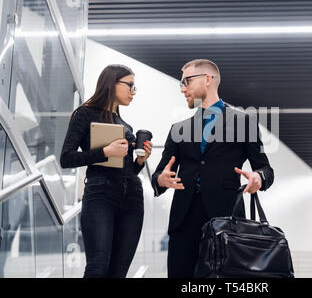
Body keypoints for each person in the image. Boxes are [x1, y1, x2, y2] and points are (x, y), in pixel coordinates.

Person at [151, 59, 274, 278]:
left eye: (186, 81)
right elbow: (159, 173)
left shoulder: (243, 122)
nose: (182, 88)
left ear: (208, 79)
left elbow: (265, 168)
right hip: (183, 221)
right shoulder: (178, 128)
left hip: (227, 221)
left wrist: (258, 177)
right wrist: (161, 179)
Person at [60, 64, 152, 278]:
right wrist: (105, 152)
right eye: (130, 85)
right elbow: (66, 158)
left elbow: (128, 171)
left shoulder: (125, 125)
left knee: (119, 271)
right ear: (112, 83)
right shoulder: (84, 114)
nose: (133, 91)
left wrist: (140, 161)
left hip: (132, 197)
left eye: (134, 87)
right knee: (98, 265)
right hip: (100, 194)